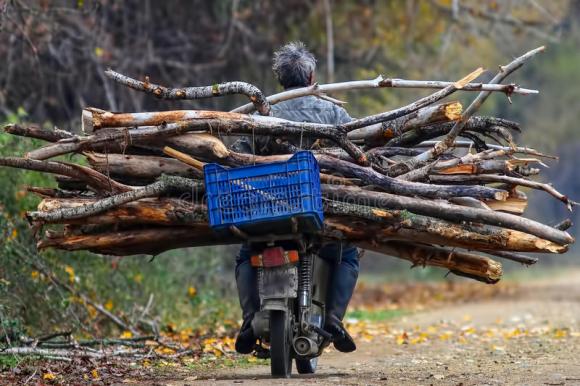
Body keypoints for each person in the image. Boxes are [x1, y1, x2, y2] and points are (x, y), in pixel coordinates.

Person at [233, 42, 359, 355]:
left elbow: (237, 154)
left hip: (268, 212)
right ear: (311, 76)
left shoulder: (263, 113)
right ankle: (333, 318)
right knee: (347, 253)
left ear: (280, 79)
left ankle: (249, 321)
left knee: (246, 253)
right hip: (320, 211)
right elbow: (357, 152)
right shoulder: (332, 112)